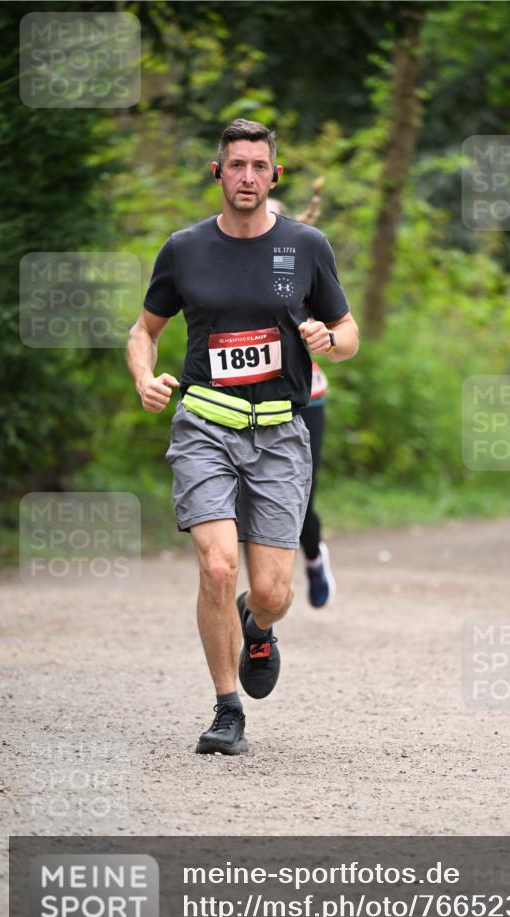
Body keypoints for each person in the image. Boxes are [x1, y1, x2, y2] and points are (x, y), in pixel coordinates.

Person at [126, 119, 359, 756]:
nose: (248, 177)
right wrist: (145, 378)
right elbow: (143, 331)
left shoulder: (307, 246)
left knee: (273, 591)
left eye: (259, 166)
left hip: (280, 433)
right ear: (218, 173)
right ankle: (227, 707)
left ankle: (257, 627)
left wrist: (326, 342)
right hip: (205, 424)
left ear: (274, 175)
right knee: (217, 566)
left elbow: (348, 334)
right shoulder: (184, 249)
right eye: (237, 165)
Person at [267, 196, 335, 609]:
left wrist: (321, 334)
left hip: (304, 399)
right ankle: (261, 588)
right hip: (243, 402)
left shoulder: (302, 261)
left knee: (300, 499)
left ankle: (312, 557)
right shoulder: (227, 265)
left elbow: (340, 328)